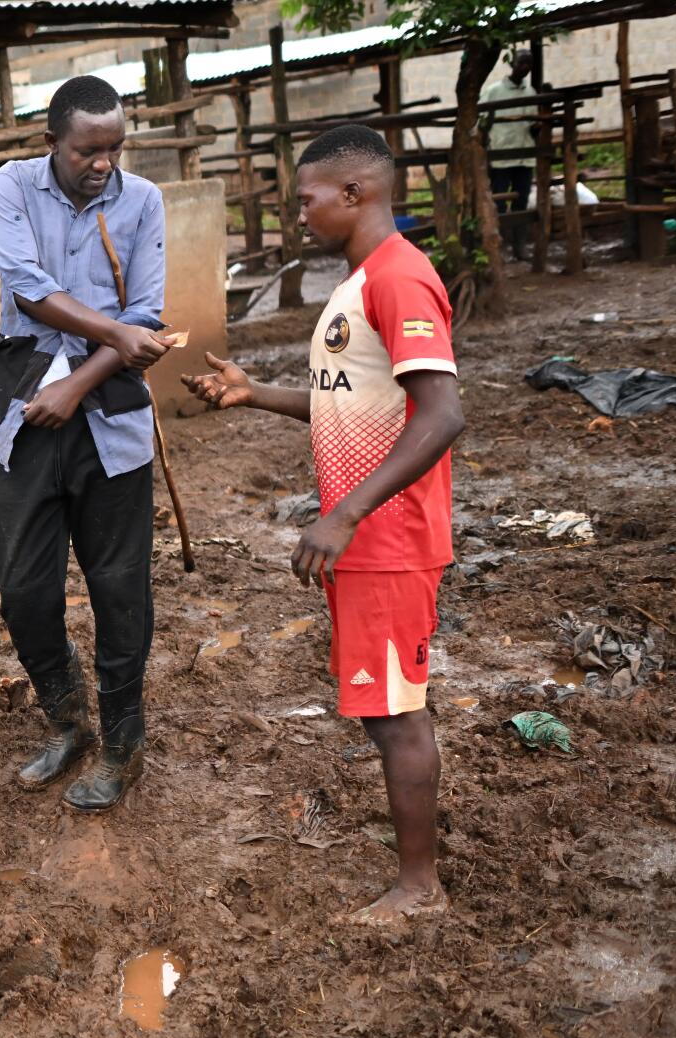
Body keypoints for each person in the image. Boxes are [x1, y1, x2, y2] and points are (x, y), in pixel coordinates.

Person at [182, 124, 465, 925]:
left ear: (354, 193)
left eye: (305, 199)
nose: (297, 213)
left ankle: (419, 888)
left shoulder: (401, 280)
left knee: (396, 710)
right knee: (384, 708)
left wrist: (343, 514)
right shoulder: (359, 282)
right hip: (368, 536)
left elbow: (441, 414)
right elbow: (357, 399)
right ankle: (416, 876)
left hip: (389, 538)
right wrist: (255, 393)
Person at [0, 74, 176, 809]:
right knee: (23, 590)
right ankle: (68, 722)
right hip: (23, 414)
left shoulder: (143, 202)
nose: (104, 164)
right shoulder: (13, 187)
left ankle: (123, 746)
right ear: (51, 144)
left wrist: (77, 385)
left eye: (115, 149)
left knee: (119, 590)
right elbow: (27, 288)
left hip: (111, 419)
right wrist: (114, 332)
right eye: (87, 151)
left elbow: (146, 312)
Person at [480, 49, 536, 259]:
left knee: (521, 202)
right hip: (501, 157)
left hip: (525, 156)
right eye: (522, 62)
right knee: (499, 203)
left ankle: (520, 247)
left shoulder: (530, 93)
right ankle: (499, 248)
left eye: (529, 63)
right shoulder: (494, 92)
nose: (526, 67)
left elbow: (533, 123)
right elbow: (482, 123)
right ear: (512, 64)